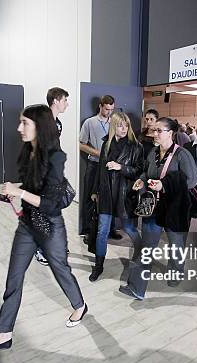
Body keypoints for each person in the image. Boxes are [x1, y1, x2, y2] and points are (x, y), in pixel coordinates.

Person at [0, 105, 87, 353]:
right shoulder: (29, 151)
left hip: (50, 226)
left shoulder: (57, 158)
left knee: (61, 270)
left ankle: (79, 305)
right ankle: (4, 334)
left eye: (24, 123)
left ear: (40, 127)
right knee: (14, 278)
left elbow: (49, 204)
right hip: (27, 225)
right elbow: (32, 190)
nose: (19, 128)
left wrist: (19, 192)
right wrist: (15, 194)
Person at [119, 117, 197, 300]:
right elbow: (147, 172)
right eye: (153, 130)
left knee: (176, 245)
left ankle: (176, 273)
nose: (154, 134)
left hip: (175, 209)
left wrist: (165, 185)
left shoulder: (182, 155)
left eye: (158, 131)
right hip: (152, 208)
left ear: (170, 133)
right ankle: (136, 287)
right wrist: (142, 180)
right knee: (147, 248)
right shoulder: (153, 152)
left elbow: (192, 181)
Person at [89, 112, 144, 281]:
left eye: (126, 125)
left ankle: (142, 252)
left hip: (124, 194)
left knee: (129, 229)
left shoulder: (136, 146)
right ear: (114, 126)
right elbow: (100, 170)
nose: (124, 128)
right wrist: (94, 190)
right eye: (120, 125)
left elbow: (140, 171)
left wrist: (120, 167)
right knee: (102, 231)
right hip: (106, 193)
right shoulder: (106, 144)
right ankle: (98, 266)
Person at [31, 86, 71, 266]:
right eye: (64, 100)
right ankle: (40, 249)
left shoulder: (58, 124)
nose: (67, 104)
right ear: (55, 100)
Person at [79, 95, 122, 241]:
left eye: (111, 109)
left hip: (111, 166)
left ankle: (111, 229)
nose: (109, 112)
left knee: (111, 198)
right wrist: (99, 153)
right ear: (100, 106)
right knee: (89, 199)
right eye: (106, 109)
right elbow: (81, 144)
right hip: (94, 164)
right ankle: (87, 232)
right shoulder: (89, 123)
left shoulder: (115, 123)